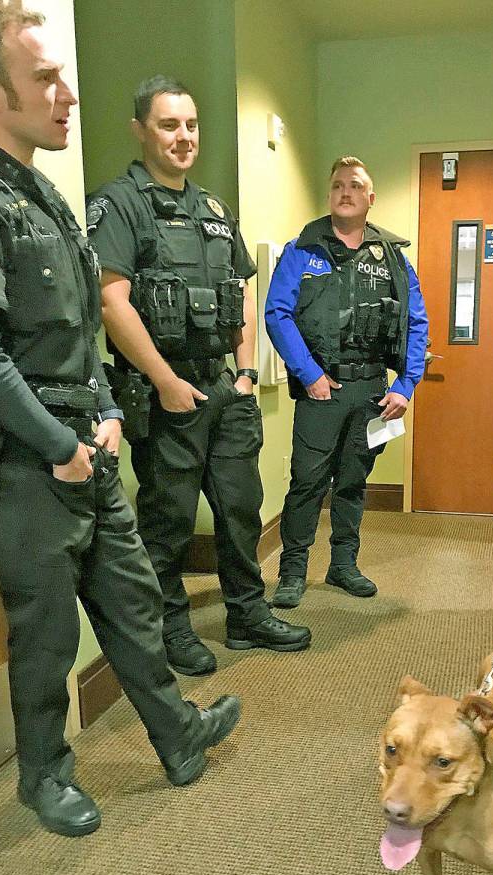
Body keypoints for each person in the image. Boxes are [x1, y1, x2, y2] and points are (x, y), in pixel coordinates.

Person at [0, 4, 240, 837]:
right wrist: (60, 444)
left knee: (132, 602)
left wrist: (103, 411)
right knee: (45, 632)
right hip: (27, 457)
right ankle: (45, 776)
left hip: (85, 443)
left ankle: (177, 735)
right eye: (45, 78)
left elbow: (81, 327)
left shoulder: (46, 198)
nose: (67, 94)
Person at [88, 77, 311, 676]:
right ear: (140, 130)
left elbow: (241, 290)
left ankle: (248, 615)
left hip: (223, 386)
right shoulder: (120, 206)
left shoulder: (213, 210)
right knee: (169, 521)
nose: (184, 137)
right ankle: (171, 630)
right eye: (169, 125)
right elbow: (112, 301)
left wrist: (246, 372)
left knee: (240, 509)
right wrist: (164, 380)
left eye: (190, 125)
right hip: (166, 393)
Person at [264, 157, 429, 607]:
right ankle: (292, 571)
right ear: (329, 195)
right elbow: (277, 314)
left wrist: (405, 385)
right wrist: (310, 374)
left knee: (354, 482)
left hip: (373, 392)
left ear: (370, 198)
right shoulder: (302, 250)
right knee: (306, 482)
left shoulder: (393, 258)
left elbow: (416, 323)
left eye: (355, 185)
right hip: (321, 391)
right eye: (338, 185)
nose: (346, 192)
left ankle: (343, 565)